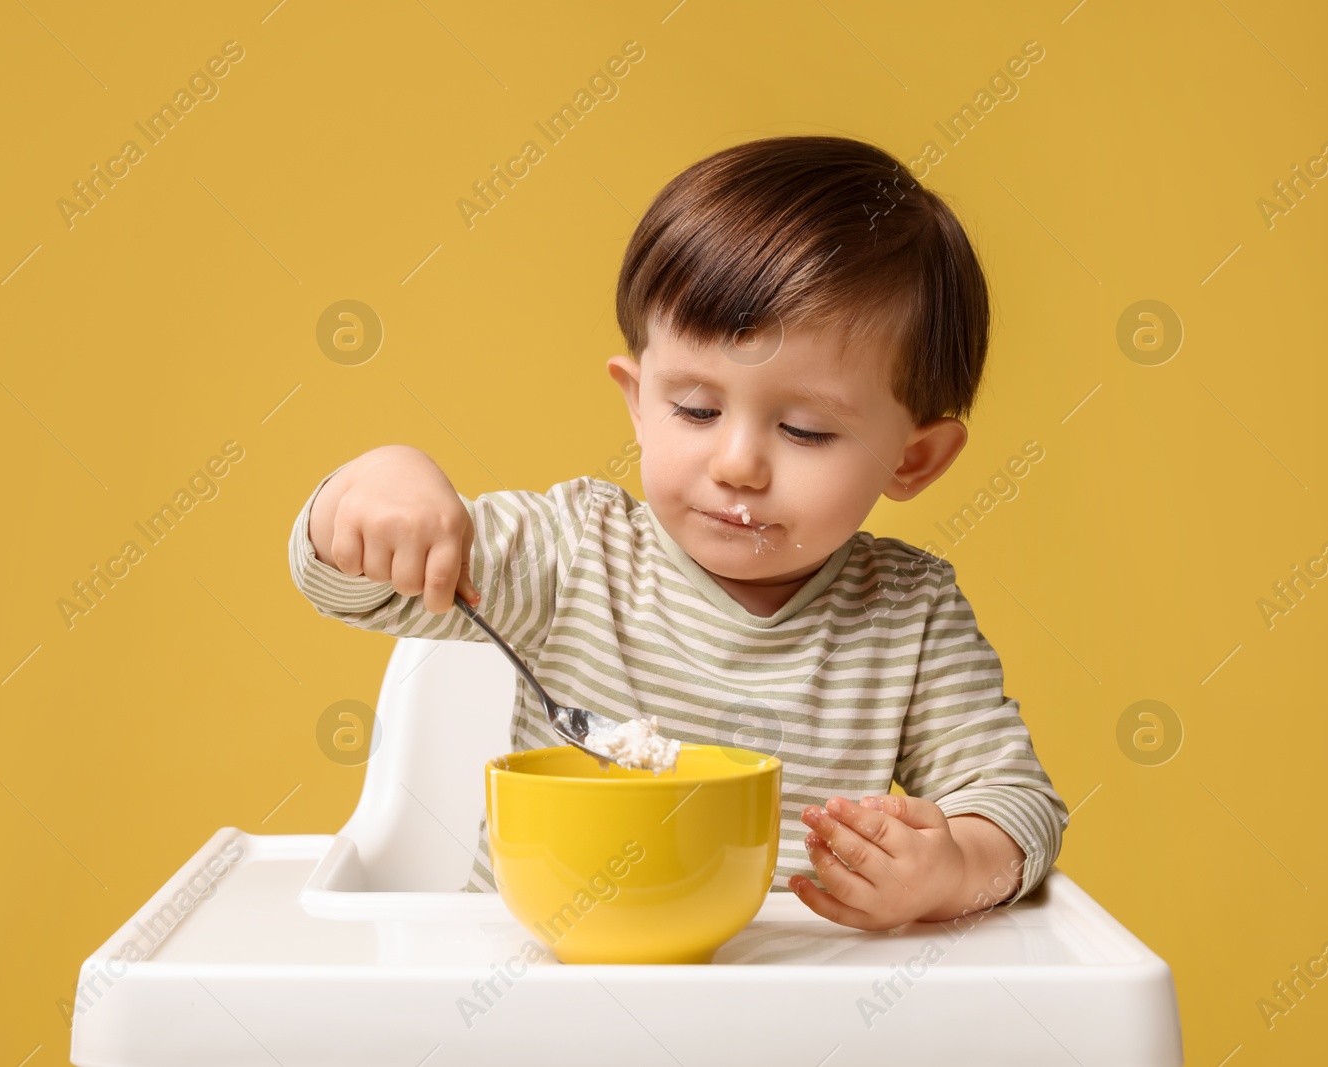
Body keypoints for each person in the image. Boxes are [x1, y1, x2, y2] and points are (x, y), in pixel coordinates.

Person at [288, 135, 1067, 931]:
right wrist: (373, 493)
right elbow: (354, 587)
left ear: (914, 457)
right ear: (636, 399)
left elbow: (1018, 804)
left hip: (783, 1009)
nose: (737, 464)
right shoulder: (573, 551)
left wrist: (955, 867)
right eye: (695, 410)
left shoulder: (910, 614)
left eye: (803, 430)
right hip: (534, 991)